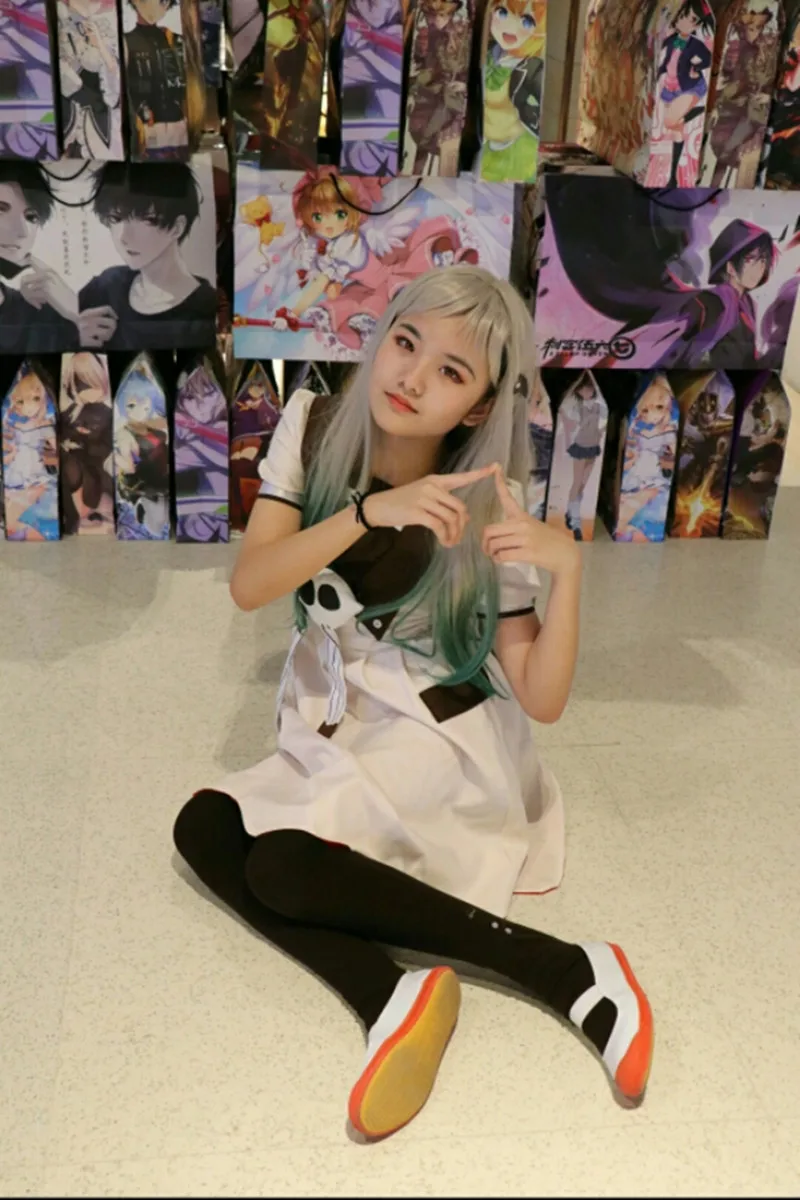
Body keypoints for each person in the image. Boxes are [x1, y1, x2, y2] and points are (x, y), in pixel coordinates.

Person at [173, 266, 654, 1141]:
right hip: (336, 709)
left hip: (439, 730)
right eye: (405, 343)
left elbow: (541, 699)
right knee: (202, 827)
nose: (411, 377)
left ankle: (563, 970)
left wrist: (571, 573)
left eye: (450, 371)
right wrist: (370, 512)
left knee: (280, 865)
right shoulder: (313, 425)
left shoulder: (487, 498)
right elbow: (251, 585)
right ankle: (393, 994)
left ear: (476, 408)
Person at [78, 161, 216, 350]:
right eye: (115, 219)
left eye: (146, 219)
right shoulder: (107, 286)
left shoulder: (205, 309)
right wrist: (74, 336)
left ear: (177, 227)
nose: (124, 236)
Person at [0, 163, 80, 354]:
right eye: (1, 210)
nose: (22, 231)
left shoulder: (44, 310)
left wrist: (77, 313)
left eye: (31, 217)